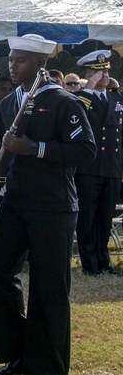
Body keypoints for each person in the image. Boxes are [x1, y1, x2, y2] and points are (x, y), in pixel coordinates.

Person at [0, 34, 96, 375]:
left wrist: (37, 149)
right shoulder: (7, 103)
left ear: (40, 64)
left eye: (21, 61)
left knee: (49, 285)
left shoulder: (62, 101)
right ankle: (17, 352)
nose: (12, 66)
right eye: (11, 60)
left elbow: (86, 150)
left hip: (53, 206)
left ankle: (47, 366)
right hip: (15, 202)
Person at [72, 50, 122, 275]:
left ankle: (104, 260)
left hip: (112, 166)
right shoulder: (81, 98)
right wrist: (88, 89)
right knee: (88, 217)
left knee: (105, 217)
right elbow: (76, 115)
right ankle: (90, 263)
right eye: (97, 71)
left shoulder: (116, 98)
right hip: (89, 167)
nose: (103, 75)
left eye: (106, 70)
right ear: (87, 74)